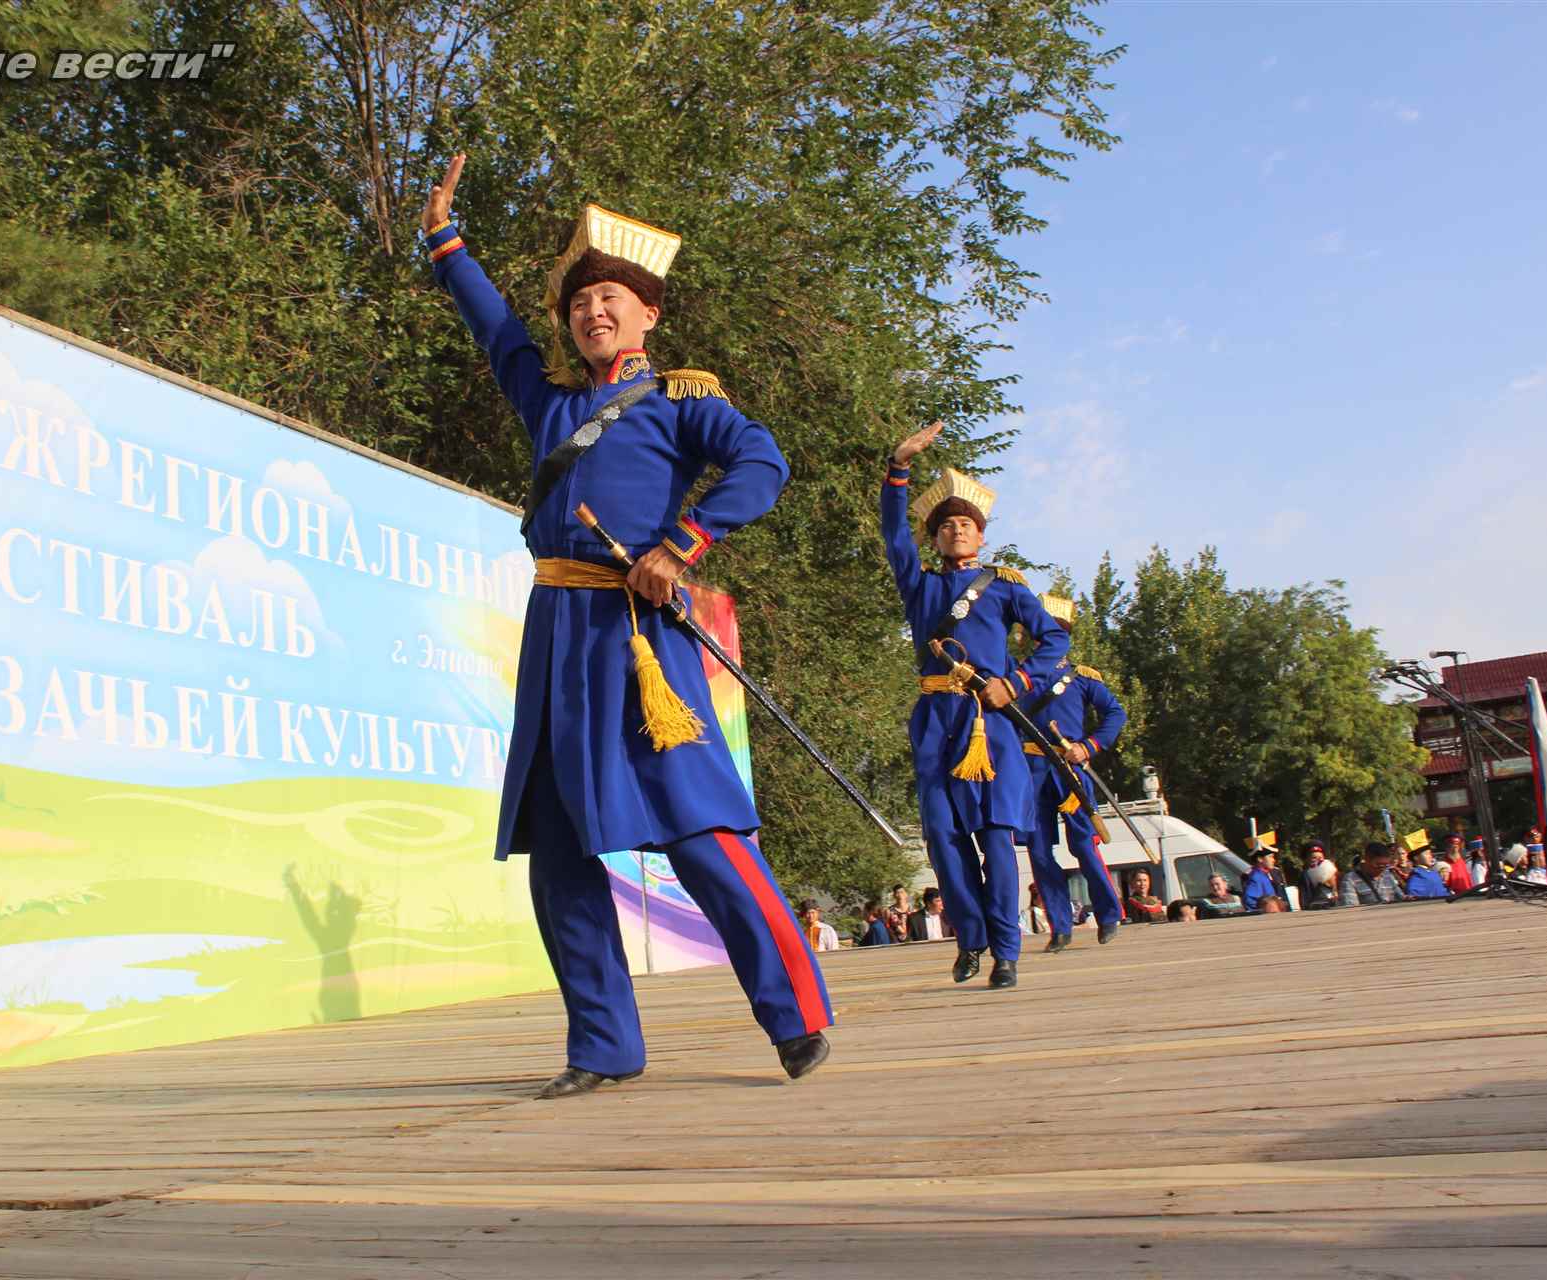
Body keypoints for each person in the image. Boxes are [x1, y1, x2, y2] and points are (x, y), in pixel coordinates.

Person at [424, 158, 831, 1096]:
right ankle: (604, 1047)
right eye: (578, 303)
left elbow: (761, 464)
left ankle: (797, 1012)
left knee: (699, 826)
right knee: (558, 847)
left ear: (648, 313)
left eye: (610, 297)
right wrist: (447, 244)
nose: (592, 311)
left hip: (640, 633)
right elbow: (496, 333)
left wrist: (684, 544)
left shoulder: (681, 400)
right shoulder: (551, 403)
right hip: (555, 632)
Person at [884, 425, 1070, 991]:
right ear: (936, 540)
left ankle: (1006, 953)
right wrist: (898, 468)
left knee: (994, 838)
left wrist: (1016, 682)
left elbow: (1054, 641)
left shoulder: (1006, 588)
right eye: (946, 526)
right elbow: (894, 535)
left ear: (982, 537)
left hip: (991, 722)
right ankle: (970, 939)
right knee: (943, 839)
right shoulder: (920, 588)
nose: (956, 530)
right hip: (936, 722)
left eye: (966, 524)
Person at [1016, 593, 1129, 953]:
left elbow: (1116, 714)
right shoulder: (1016, 677)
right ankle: (1060, 927)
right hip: (1031, 772)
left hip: (1070, 769)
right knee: (1039, 852)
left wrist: (1089, 747)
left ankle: (1108, 915)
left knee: (1083, 844)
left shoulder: (1081, 677)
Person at [1241, 847, 1283, 913]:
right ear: (1260, 859)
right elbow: (1249, 900)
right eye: (1270, 857)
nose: (1273, 860)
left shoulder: (1267, 874)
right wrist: (1265, 908)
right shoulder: (1256, 876)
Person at [1301, 843, 1339, 910]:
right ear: (1307, 860)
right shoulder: (1306, 875)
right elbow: (1305, 901)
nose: (1318, 861)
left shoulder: (1329, 873)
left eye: (1321, 858)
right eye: (1314, 858)